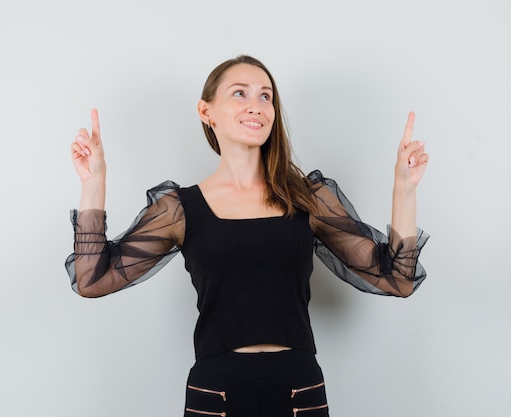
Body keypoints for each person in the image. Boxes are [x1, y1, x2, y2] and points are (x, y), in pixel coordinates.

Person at [66, 55, 429, 417]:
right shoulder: (180, 208)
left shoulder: (308, 198)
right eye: (240, 94)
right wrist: (93, 183)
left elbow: (397, 279)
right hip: (216, 391)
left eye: (265, 96)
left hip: (298, 389)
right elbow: (92, 279)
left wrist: (404, 188)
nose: (256, 106)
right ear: (206, 111)